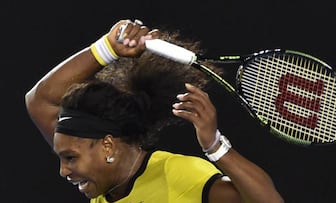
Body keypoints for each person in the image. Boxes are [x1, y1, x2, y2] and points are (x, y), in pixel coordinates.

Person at [25, 19, 284, 203]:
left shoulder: (181, 176)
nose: (63, 170)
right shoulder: (106, 187)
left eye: (70, 158)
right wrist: (108, 48)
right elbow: (40, 101)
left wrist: (215, 146)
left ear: (107, 146)